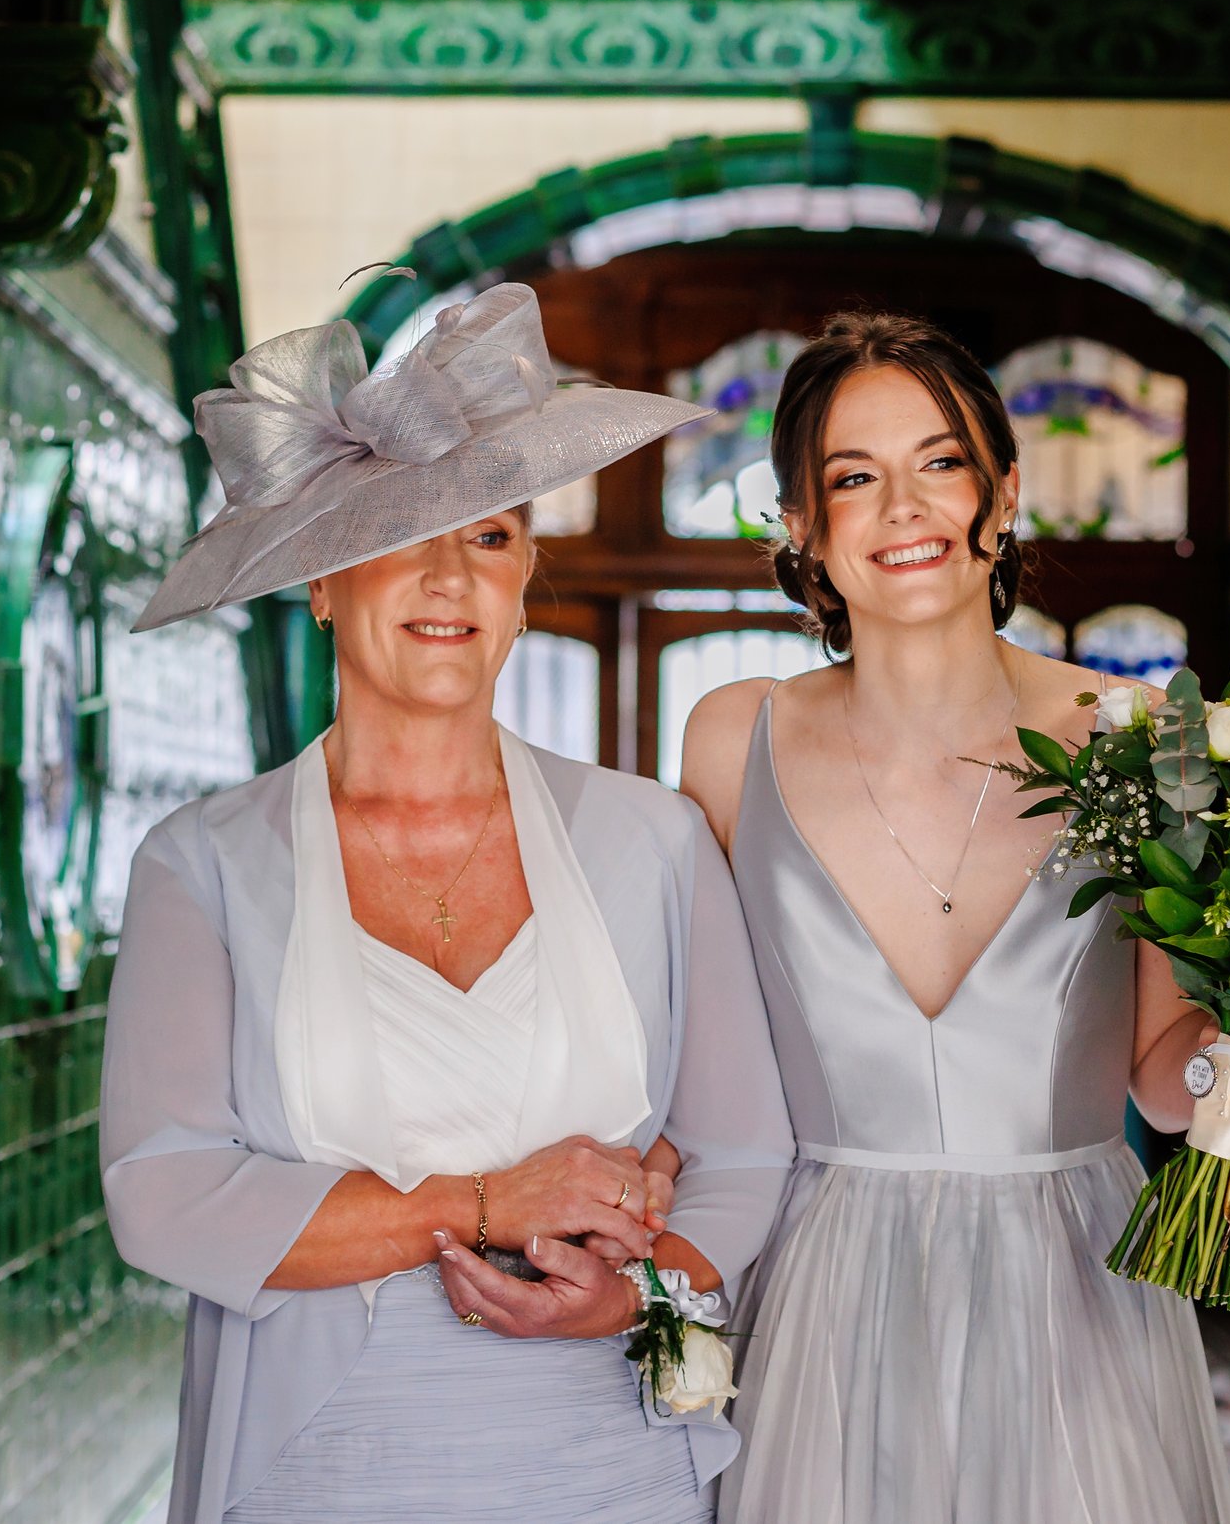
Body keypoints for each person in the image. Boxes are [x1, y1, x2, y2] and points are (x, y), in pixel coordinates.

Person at [102, 283, 794, 1524]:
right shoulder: (198, 863)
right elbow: (162, 1194)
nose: (445, 572)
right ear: (319, 580)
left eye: (488, 534)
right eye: (395, 529)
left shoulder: (658, 841)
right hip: (318, 1462)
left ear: (525, 577)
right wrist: (477, 1206)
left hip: (607, 1455)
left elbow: (746, 1154)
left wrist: (641, 1292)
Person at [677, 312, 1230, 1524]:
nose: (903, 507)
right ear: (799, 526)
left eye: (939, 462)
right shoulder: (734, 736)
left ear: (1002, 495)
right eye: (850, 477)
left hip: (1075, 1288)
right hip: (820, 1288)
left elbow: (1157, 1072)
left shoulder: (1151, 732)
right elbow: (703, 1065)